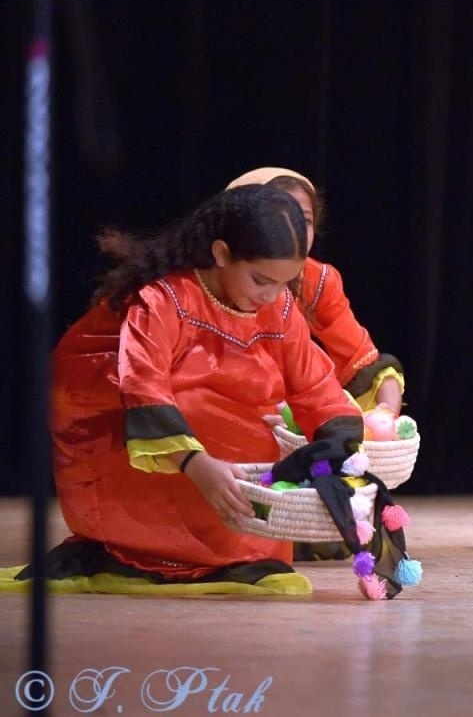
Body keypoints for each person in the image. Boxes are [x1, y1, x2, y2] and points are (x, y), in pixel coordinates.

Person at [0, 186, 370, 596]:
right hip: (111, 415)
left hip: (205, 434)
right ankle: (148, 551)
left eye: (282, 284)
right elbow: (141, 383)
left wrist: (341, 444)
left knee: (254, 417)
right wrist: (196, 463)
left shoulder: (278, 306)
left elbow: (314, 383)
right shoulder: (164, 298)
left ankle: (230, 551)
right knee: (199, 402)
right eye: (260, 280)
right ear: (221, 253)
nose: (269, 296)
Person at [228, 167, 404, 415]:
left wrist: (387, 416)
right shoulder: (207, 285)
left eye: (305, 220)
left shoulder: (316, 280)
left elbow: (357, 355)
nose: (294, 231)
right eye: (280, 218)